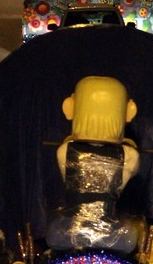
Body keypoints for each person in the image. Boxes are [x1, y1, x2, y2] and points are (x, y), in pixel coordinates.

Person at [46, 76, 140, 253]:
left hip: (70, 230)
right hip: (110, 233)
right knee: (129, 235)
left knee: (55, 233)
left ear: (70, 108)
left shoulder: (64, 151)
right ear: (129, 111)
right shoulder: (130, 155)